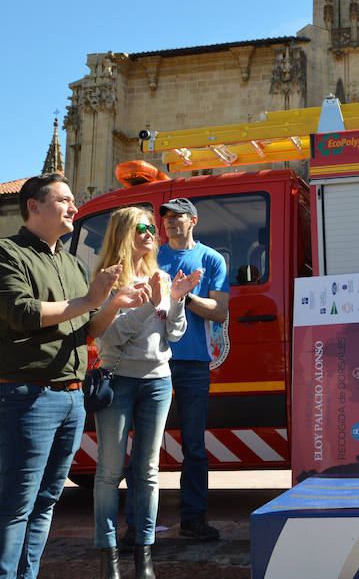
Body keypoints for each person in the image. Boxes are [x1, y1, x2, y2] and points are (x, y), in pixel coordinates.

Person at [0, 173, 144, 579]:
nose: (74, 208)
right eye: (65, 200)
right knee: (18, 501)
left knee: (47, 499)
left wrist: (112, 303)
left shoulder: (70, 262)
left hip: (70, 397)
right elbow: (23, 313)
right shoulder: (4, 253)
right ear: (34, 206)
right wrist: (90, 298)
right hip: (25, 395)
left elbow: (88, 327)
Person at [91, 207, 200, 578]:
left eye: (152, 227)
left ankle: (145, 557)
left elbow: (174, 334)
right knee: (109, 471)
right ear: (125, 233)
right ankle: (109, 557)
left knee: (149, 471)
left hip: (158, 382)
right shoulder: (108, 278)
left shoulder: (162, 276)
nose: (152, 231)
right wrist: (150, 306)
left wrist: (178, 299)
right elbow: (108, 335)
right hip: (118, 381)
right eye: (143, 227)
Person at [123, 197, 229, 544]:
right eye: (164, 216)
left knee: (194, 446)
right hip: (151, 359)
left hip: (193, 363)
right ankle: (136, 526)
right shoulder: (151, 256)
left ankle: (193, 520)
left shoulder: (211, 259)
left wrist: (183, 296)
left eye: (176, 216)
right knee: (143, 448)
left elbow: (219, 311)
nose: (168, 221)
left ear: (193, 221)